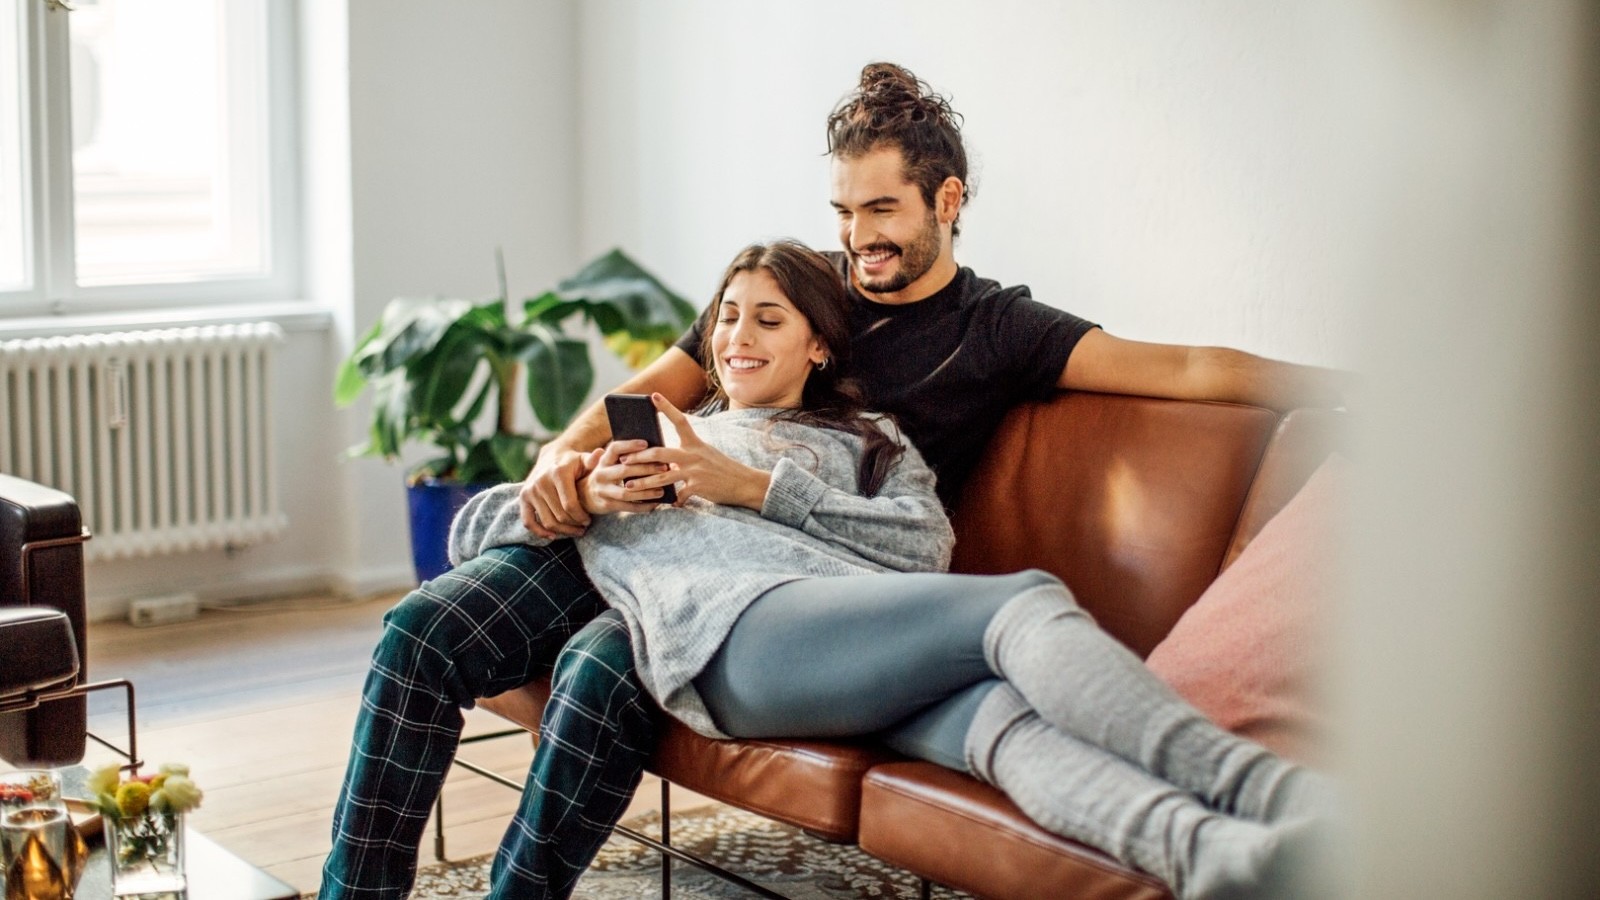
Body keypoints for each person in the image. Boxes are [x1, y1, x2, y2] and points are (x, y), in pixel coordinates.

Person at [321, 62, 1348, 899]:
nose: (859, 239)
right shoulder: (796, 286)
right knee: (426, 633)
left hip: (811, 588)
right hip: (663, 545)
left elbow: (1184, 371)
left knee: (982, 719)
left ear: (948, 202)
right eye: (845, 210)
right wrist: (561, 464)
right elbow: (658, 385)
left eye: (884, 210)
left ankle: (1224, 851)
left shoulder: (993, 332)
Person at [453, 239, 1335, 900]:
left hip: (852, 636)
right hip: (731, 636)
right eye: (726, 317)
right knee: (1021, 605)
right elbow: (486, 529)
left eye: (769, 318)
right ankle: (1270, 792)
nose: (738, 337)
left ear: (818, 349)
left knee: (1004, 725)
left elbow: (922, 548)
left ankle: (1217, 858)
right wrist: (576, 487)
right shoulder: (652, 444)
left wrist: (761, 488)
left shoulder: (874, 442)